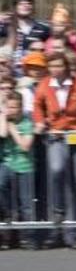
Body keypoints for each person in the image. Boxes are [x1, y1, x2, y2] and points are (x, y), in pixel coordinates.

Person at [32, 52, 76, 249]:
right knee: (57, 170)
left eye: (59, 65)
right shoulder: (45, 85)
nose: (56, 69)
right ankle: (58, 209)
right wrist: (40, 122)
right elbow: (37, 106)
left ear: (66, 66)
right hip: (57, 136)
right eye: (52, 66)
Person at [0, 93, 37, 249]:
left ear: (21, 107)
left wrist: (14, 130)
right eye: (9, 107)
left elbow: (25, 146)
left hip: (24, 167)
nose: (11, 110)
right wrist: (3, 116)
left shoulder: (27, 123)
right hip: (7, 164)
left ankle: (27, 238)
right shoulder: (6, 119)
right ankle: (6, 224)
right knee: (0, 186)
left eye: (14, 107)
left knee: (26, 204)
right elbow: (2, 134)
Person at [0, 0, 50, 76]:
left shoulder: (43, 28)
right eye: (21, 3)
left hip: (33, 72)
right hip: (10, 73)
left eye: (28, 3)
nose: (25, 5)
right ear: (15, 6)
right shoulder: (6, 25)